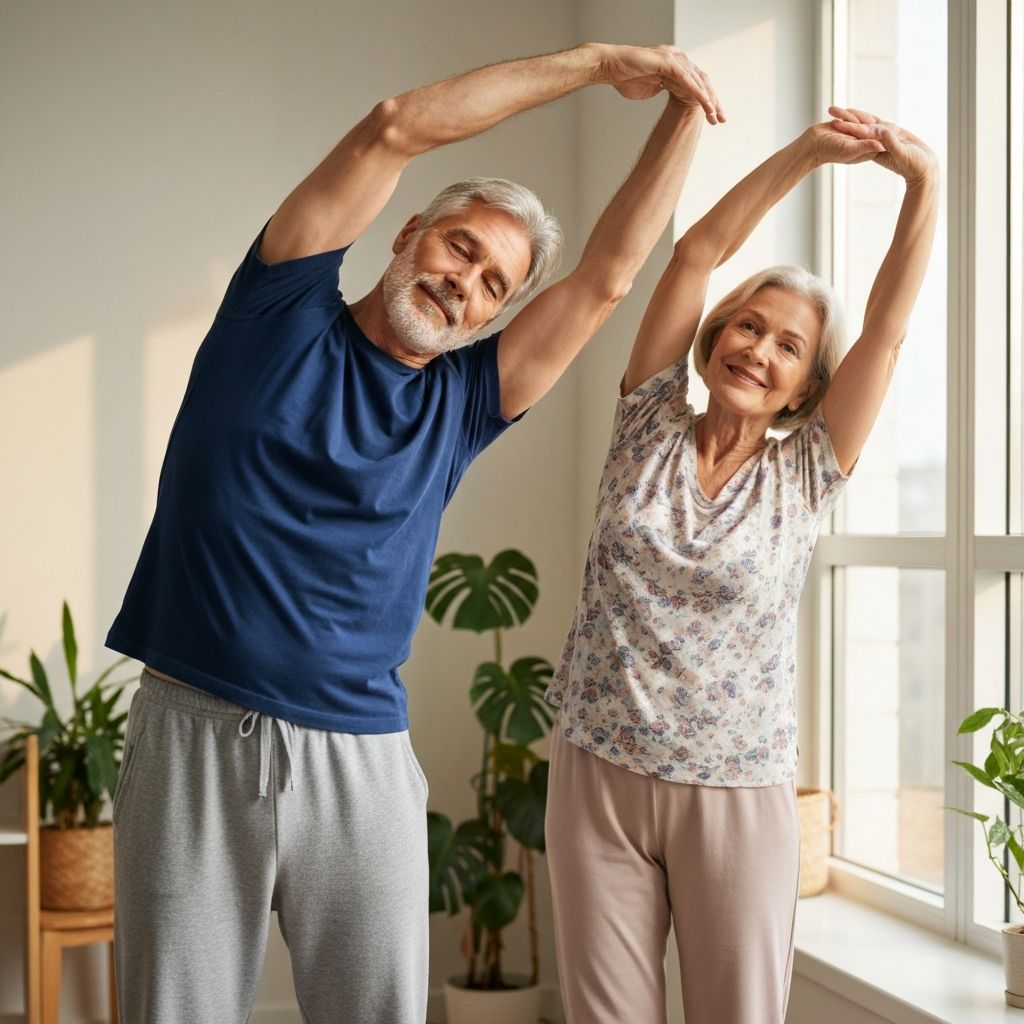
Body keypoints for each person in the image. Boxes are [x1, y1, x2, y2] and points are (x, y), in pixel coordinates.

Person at [104, 42, 724, 1024]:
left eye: (492, 286)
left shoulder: (465, 402)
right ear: (407, 235)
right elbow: (398, 123)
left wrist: (687, 108)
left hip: (361, 756)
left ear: (493, 316)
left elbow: (606, 280)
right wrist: (601, 61)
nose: (463, 284)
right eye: (458, 249)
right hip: (193, 730)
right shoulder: (276, 308)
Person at [544, 106, 938, 1024]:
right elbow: (693, 254)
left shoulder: (806, 471)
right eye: (748, 326)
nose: (757, 350)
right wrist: (805, 153)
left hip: (735, 789)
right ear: (717, 332)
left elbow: (884, 329)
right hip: (596, 772)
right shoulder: (645, 421)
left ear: (809, 387)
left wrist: (923, 186)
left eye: (787, 346)